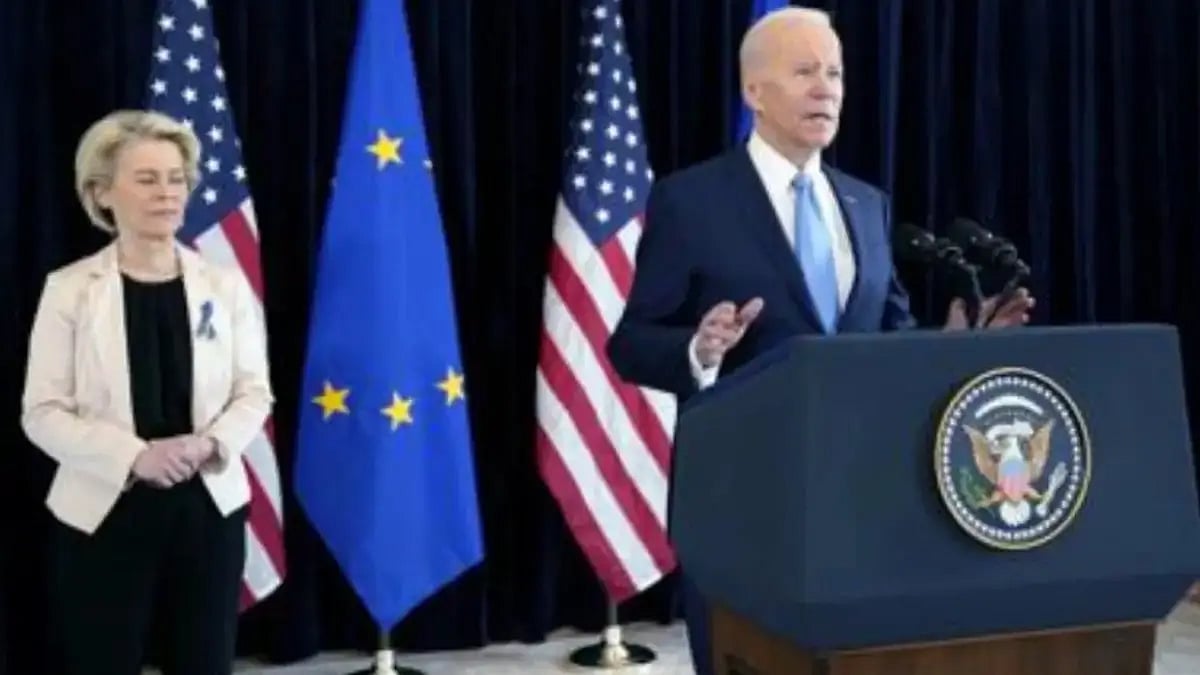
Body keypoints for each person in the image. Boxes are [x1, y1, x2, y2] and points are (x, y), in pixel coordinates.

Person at [606, 8, 1034, 675]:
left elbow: (889, 339)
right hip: (739, 500)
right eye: (805, 72)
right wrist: (701, 348)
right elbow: (629, 343)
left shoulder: (867, 204)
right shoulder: (692, 201)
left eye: (834, 73)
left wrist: (955, 342)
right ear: (755, 92)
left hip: (858, 498)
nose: (826, 88)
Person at [20, 109, 273, 675]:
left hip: (207, 507)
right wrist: (136, 456)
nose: (168, 193)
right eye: (147, 178)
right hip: (104, 509)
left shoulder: (224, 285)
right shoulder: (68, 291)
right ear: (102, 193)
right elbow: (41, 412)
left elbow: (255, 392)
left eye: (177, 177)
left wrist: (207, 446)